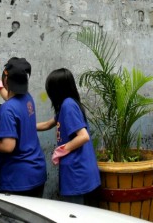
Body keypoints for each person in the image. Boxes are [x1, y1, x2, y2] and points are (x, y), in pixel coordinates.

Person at [37, 68, 100, 204]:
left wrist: (62, 150)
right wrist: (26, 125)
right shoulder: (66, 106)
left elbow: (83, 136)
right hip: (78, 172)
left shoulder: (68, 106)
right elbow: (48, 124)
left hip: (77, 173)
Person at [0, 58, 47, 196]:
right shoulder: (28, 98)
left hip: (18, 180)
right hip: (36, 172)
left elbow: (8, 146)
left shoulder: (7, 110)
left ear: (6, 80)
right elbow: (12, 101)